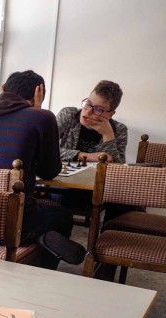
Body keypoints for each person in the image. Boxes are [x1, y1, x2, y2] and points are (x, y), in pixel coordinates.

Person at [0, 70, 85, 269]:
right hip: (15, 225)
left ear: (3, 88)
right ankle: (40, 262)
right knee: (61, 215)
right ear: (39, 92)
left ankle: (40, 237)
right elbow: (49, 171)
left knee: (37, 210)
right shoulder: (42, 117)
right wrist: (39, 111)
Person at [56, 80, 132, 236]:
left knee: (124, 201)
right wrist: (85, 156)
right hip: (64, 183)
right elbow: (46, 148)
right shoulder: (69, 115)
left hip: (97, 187)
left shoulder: (119, 130)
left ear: (110, 114)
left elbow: (118, 171)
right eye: (88, 103)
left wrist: (108, 136)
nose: (88, 112)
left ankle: (109, 243)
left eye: (98, 109)